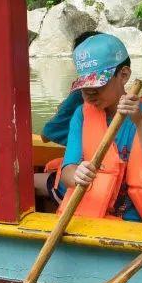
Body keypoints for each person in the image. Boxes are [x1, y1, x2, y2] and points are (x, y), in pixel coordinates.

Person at [59, 33, 142, 224]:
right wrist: (76, 174)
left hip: (137, 223)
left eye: (98, 85)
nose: (89, 93)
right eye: (85, 86)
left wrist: (139, 122)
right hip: (91, 220)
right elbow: (67, 172)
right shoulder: (82, 114)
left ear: (124, 75)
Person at [35, 31, 100, 204]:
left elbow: (45, 135)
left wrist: (62, 110)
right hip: (90, 184)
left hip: (89, 192)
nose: (91, 92)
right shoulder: (82, 111)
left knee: (19, 180)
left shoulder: (81, 99)